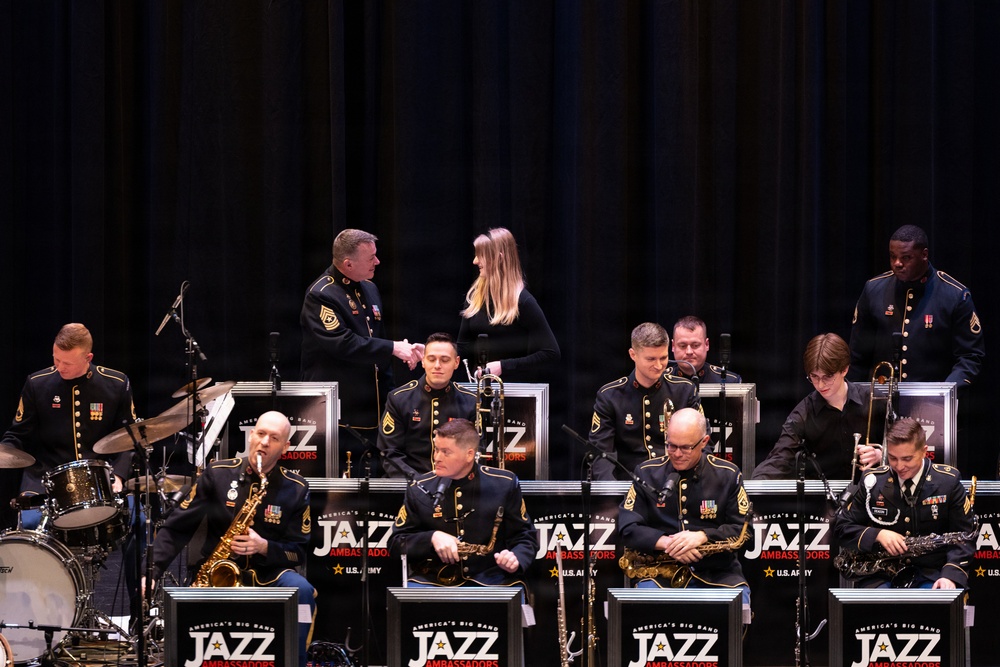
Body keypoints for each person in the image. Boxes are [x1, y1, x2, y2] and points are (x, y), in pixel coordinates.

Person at [147, 411, 315, 666]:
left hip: (269, 574)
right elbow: (177, 528)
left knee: (302, 590)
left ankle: (296, 661)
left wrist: (265, 547)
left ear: (285, 447)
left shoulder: (297, 488)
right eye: (260, 433)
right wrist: (151, 572)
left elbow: (298, 551)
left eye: (274, 438)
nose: (265, 442)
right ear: (251, 436)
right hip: (217, 571)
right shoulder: (218, 473)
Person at [300, 229, 423, 476]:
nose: (377, 262)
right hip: (338, 410)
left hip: (372, 404)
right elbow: (342, 343)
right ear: (348, 263)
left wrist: (399, 355)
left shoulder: (369, 288)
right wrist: (393, 347)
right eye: (371, 258)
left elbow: (377, 343)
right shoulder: (321, 295)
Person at [617, 408, 752, 609]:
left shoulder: (728, 475)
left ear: (704, 442)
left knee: (738, 608)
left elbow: (744, 532)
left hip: (718, 575)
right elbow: (628, 527)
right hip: (659, 574)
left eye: (686, 448)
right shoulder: (646, 473)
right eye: (671, 445)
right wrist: (668, 543)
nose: (677, 454)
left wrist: (703, 536)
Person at [1, 323, 136, 513]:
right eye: (56, 359)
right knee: (31, 523)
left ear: (88, 358)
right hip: (46, 477)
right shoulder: (37, 384)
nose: (60, 367)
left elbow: (130, 437)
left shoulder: (116, 384)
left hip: (100, 478)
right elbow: (17, 434)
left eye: (67, 363)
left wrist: (119, 476)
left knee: (132, 520)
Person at [388, 418, 537, 588]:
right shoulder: (419, 487)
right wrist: (431, 538)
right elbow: (396, 543)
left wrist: (515, 557)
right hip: (433, 580)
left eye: (446, 452)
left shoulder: (503, 483)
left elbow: (525, 537)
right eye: (436, 449)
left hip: (490, 579)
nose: (437, 457)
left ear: (469, 454)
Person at [832, 418, 975, 589]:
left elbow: (965, 536)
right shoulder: (873, 481)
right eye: (893, 458)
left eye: (907, 458)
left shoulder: (947, 482)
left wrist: (951, 575)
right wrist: (877, 534)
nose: (900, 466)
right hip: (881, 574)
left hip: (932, 573)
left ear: (924, 451)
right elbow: (841, 527)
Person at [849, 224, 984, 386]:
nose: (897, 263)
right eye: (893, 256)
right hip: (881, 401)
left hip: (933, 403)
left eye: (906, 257)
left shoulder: (954, 295)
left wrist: (946, 390)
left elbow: (970, 356)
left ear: (924, 255)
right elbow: (857, 355)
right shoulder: (873, 290)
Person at [752, 333, 884, 481]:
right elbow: (779, 459)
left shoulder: (875, 400)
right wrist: (753, 486)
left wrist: (881, 455)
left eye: (827, 376)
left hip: (872, 496)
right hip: (824, 500)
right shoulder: (803, 413)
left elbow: (906, 446)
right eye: (814, 377)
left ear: (844, 370)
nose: (820, 385)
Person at [589, 322, 701, 481]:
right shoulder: (610, 396)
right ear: (633, 354)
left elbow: (701, 443)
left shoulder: (684, 391)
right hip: (628, 485)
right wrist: (610, 494)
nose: (658, 365)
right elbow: (601, 453)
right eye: (651, 359)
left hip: (675, 482)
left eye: (663, 358)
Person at [457, 227, 560, 383]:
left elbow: (551, 352)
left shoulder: (523, 302)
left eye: (481, 255)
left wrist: (503, 366)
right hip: (478, 393)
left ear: (499, 258)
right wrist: (433, 351)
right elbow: (463, 348)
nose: (475, 261)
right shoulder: (475, 297)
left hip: (514, 395)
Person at [378, 333, 478, 479]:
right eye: (431, 359)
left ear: (456, 363)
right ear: (423, 361)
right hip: (409, 485)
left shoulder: (470, 401)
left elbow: (475, 450)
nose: (437, 366)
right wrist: (417, 482)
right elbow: (389, 452)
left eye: (445, 360)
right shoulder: (399, 399)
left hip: (454, 486)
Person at [668, 316, 743, 383]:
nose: (689, 352)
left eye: (695, 345)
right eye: (683, 346)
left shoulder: (730, 382)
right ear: (673, 346)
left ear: (707, 344)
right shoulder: (661, 381)